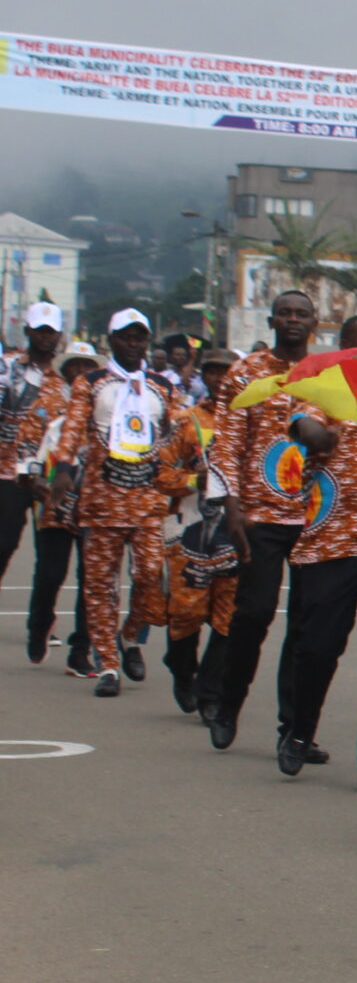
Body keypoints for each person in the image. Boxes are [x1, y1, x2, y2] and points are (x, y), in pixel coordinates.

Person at [276, 313, 357, 792]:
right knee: (317, 649)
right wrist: (321, 433)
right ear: (345, 344)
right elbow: (304, 427)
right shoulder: (323, 388)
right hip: (329, 543)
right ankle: (299, 730)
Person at [202, 290, 340, 748]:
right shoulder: (247, 372)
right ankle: (228, 704)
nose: (293, 320)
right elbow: (227, 442)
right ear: (272, 320)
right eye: (285, 313)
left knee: (305, 626)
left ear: (315, 322)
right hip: (260, 514)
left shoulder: (328, 373)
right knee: (254, 613)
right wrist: (230, 504)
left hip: (316, 517)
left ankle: (294, 730)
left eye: (302, 313)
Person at [45, 309, 174, 697]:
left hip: (147, 498)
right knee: (100, 584)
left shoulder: (161, 386)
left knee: (150, 574)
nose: (133, 344)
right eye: (125, 336)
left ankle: (130, 635)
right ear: (111, 339)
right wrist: (63, 466)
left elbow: (172, 435)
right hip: (102, 498)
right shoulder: (91, 383)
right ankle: (108, 665)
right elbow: (72, 427)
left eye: (139, 337)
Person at [156, 346, 237, 714]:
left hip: (235, 531)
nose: (221, 379)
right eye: (214, 372)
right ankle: (181, 668)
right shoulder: (185, 420)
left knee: (229, 613)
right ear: (203, 376)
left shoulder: (253, 422)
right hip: (188, 528)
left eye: (227, 372)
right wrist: (193, 480)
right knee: (186, 610)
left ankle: (210, 692)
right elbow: (159, 473)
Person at [3, 301, 68, 655]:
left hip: (51, 479)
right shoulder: (7, 367)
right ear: (27, 331)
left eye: (51, 331)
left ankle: (40, 624)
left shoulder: (68, 378)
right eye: (39, 330)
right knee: (3, 545)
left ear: (59, 335)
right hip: (8, 473)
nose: (45, 337)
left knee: (51, 565)